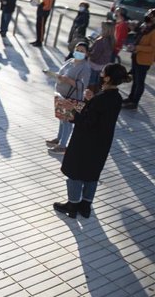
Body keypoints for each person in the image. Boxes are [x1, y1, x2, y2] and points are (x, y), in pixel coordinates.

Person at [53, 63, 131, 218]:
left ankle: (72, 205)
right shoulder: (116, 97)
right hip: (102, 143)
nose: (100, 74)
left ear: (108, 78)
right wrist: (91, 100)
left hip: (85, 141)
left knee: (76, 172)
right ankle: (85, 206)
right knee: (92, 173)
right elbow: (100, 116)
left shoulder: (101, 99)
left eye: (103, 73)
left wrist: (72, 110)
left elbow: (88, 122)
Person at [46, 42, 91, 154]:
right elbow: (61, 74)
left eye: (82, 51)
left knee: (67, 122)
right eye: (77, 50)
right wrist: (55, 75)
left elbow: (83, 86)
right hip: (62, 95)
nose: (79, 52)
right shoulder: (69, 61)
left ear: (86, 53)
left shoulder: (85, 67)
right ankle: (59, 139)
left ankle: (62, 145)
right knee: (62, 119)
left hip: (72, 98)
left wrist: (68, 81)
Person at [123, 8, 155, 110]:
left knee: (140, 82)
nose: (147, 15)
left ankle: (134, 102)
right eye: (148, 13)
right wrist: (133, 45)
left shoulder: (154, 31)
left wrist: (137, 48)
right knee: (135, 80)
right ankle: (130, 98)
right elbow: (138, 38)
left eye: (150, 15)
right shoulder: (145, 26)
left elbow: (152, 48)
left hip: (144, 60)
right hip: (136, 56)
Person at [87, 21, 115, 93]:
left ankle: (89, 98)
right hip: (103, 66)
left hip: (94, 65)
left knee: (91, 83)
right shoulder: (112, 40)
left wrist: (87, 53)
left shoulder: (101, 41)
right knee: (98, 83)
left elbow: (94, 55)